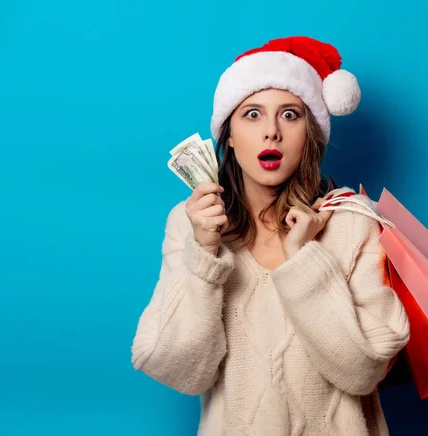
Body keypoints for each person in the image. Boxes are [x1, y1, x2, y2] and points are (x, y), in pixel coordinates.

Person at [131, 36, 410, 436]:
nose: (271, 133)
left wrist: (304, 260)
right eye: (252, 114)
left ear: (311, 133)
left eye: (291, 115)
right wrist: (205, 256)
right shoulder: (190, 224)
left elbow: (364, 370)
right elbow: (178, 371)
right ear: (227, 134)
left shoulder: (353, 222)